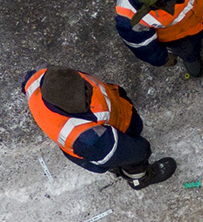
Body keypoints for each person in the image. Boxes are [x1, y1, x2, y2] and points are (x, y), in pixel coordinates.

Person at [22, 66, 176, 188]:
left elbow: (28, 82)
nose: (88, 89)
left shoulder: (43, 79)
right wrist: (142, 150)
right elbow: (120, 151)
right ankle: (139, 178)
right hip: (109, 138)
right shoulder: (84, 136)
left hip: (115, 119)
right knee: (133, 159)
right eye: (85, 94)